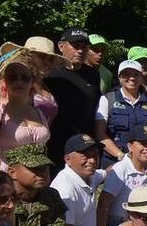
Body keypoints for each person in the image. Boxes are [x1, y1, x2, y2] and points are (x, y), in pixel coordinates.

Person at [0, 53, 49, 172]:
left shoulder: (37, 111)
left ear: (33, 80)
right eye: (13, 77)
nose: (19, 82)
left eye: (25, 77)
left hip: (30, 176)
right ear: (4, 80)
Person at [43, 28, 102, 163]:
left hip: (84, 144)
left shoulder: (93, 74)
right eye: (75, 46)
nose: (80, 51)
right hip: (54, 143)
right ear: (61, 46)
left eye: (84, 47)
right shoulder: (50, 73)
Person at [95, 59, 147, 166]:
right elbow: (100, 134)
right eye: (126, 74)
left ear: (141, 77)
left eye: (136, 74)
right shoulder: (107, 100)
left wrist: (144, 155)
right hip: (114, 162)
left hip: (143, 162)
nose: (132, 78)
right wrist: (120, 155)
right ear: (119, 78)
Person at [50, 133, 105, 226]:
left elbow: (106, 172)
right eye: (86, 156)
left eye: (95, 155)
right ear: (68, 159)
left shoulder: (89, 175)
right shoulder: (65, 189)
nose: (92, 160)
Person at [0, 36, 64, 124]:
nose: (47, 62)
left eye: (50, 59)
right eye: (42, 57)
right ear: (29, 58)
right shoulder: (12, 83)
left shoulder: (46, 84)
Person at [98, 133, 147, 226]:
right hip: (118, 225)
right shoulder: (121, 168)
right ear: (130, 147)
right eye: (143, 143)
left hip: (144, 225)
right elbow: (104, 203)